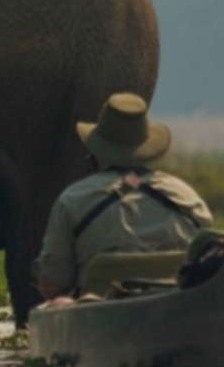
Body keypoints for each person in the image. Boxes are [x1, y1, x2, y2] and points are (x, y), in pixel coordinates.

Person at [32, 92, 212, 301]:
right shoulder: (188, 197)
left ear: (95, 153)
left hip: (98, 316)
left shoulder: (72, 201)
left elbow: (53, 285)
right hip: (178, 311)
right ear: (147, 150)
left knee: (59, 303)